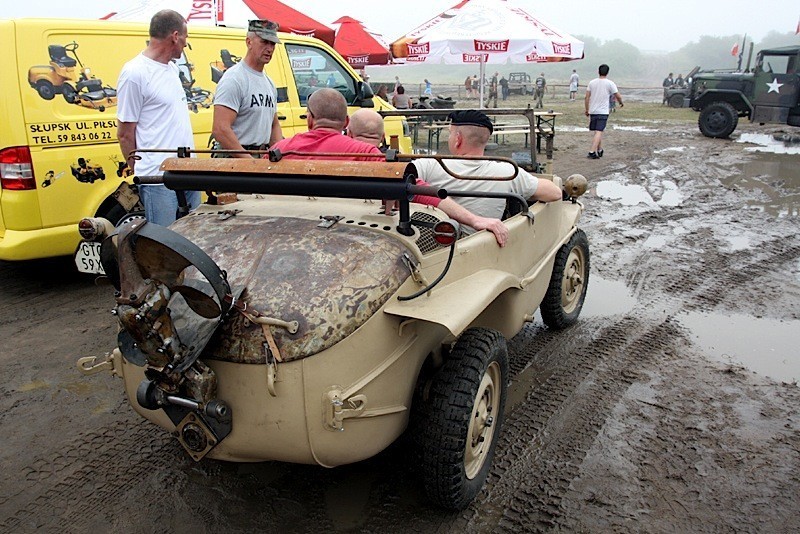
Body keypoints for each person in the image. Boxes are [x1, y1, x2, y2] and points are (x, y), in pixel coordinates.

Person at [271, 92, 509, 245]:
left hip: (285, 232)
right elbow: (420, 191)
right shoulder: (365, 154)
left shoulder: (280, 150)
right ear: (345, 123)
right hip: (345, 238)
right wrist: (475, 220)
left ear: (309, 119)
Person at [117, 9, 200, 226]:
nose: (185, 44)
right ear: (175, 36)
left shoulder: (172, 69)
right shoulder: (135, 73)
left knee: (195, 240)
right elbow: (125, 134)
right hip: (157, 177)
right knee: (164, 244)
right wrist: (141, 172)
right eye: (185, 37)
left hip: (188, 171)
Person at [415, 110, 562, 232]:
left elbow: (398, 177)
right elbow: (555, 193)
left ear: (458, 139)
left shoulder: (429, 165)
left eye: (450, 134)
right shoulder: (507, 171)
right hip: (483, 246)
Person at [212, 19, 283, 158]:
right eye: (264, 42)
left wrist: (277, 154)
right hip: (233, 159)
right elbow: (220, 129)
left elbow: (274, 125)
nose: (269, 48)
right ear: (249, 42)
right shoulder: (234, 79)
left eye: (272, 43)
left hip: (259, 155)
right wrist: (249, 161)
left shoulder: (269, 83)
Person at [585, 64, 623, 159]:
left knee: (597, 131)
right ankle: (592, 151)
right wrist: (621, 102)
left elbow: (587, 97)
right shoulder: (610, 83)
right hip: (602, 111)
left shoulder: (592, 83)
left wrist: (587, 109)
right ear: (607, 72)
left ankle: (599, 149)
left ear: (598, 71)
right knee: (599, 131)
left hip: (593, 110)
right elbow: (617, 95)